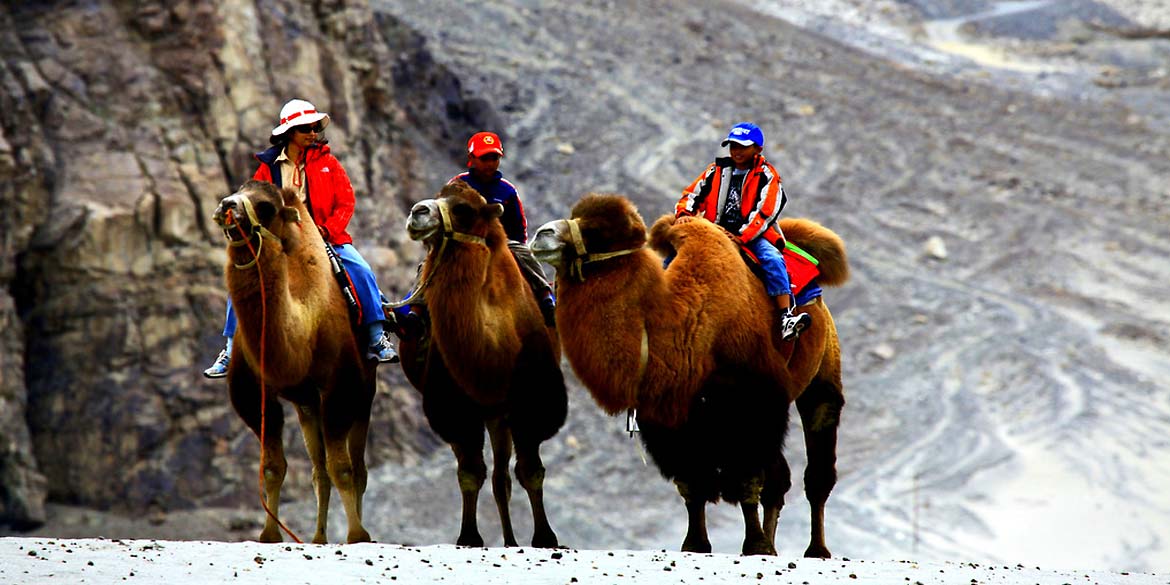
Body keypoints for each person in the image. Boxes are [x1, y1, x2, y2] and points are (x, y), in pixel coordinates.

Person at [203, 98, 398, 378]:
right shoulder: (268, 169)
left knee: (361, 270)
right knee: (244, 282)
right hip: (282, 241)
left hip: (327, 238)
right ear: (289, 133)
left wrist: (327, 230)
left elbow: (346, 201)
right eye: (305, 127)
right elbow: (254, 201)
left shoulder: (328, 163)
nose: (312, 132)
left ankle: (376, 338)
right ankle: (231, 350)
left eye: (314, 126)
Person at [675, 122, 812, 341]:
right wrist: (684, 214)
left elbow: (766, 212)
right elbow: (692, 194)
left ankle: (786, 316)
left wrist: (741, 237)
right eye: (733, 146)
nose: (736, 151)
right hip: (715, 229)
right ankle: (662, 305)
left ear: (757, 149)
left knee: (772, 259)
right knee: (675, 257)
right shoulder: (716, 170)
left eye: (743, 146)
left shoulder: (768, 176)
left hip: (753, 236)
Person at [449, 131, 557, 327]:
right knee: (428, 265)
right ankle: (416, 307)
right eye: (484, 158)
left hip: (502, 244)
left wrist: (514, 246)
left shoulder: (507, 190)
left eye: (494, 158)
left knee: (526, 254)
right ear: (471, 158)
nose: (490, 163)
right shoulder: (458, 185)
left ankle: (546, 297)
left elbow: (519, 226)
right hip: (463, 243)